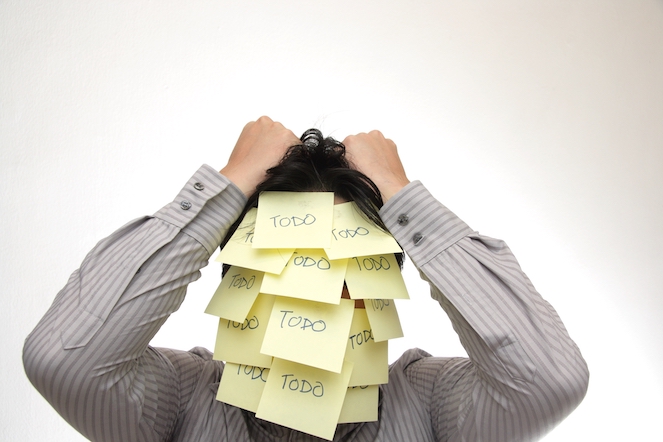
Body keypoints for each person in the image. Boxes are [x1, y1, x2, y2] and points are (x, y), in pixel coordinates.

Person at [23, 116, 589, 442]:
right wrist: (229, 185)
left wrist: (400, 195)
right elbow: (63, 359)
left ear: (383, 283)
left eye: (343, 263)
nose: (312, 292)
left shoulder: (431, 399)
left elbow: (550, 382)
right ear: (238, 276)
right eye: (284, 258)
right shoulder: (179, 397)